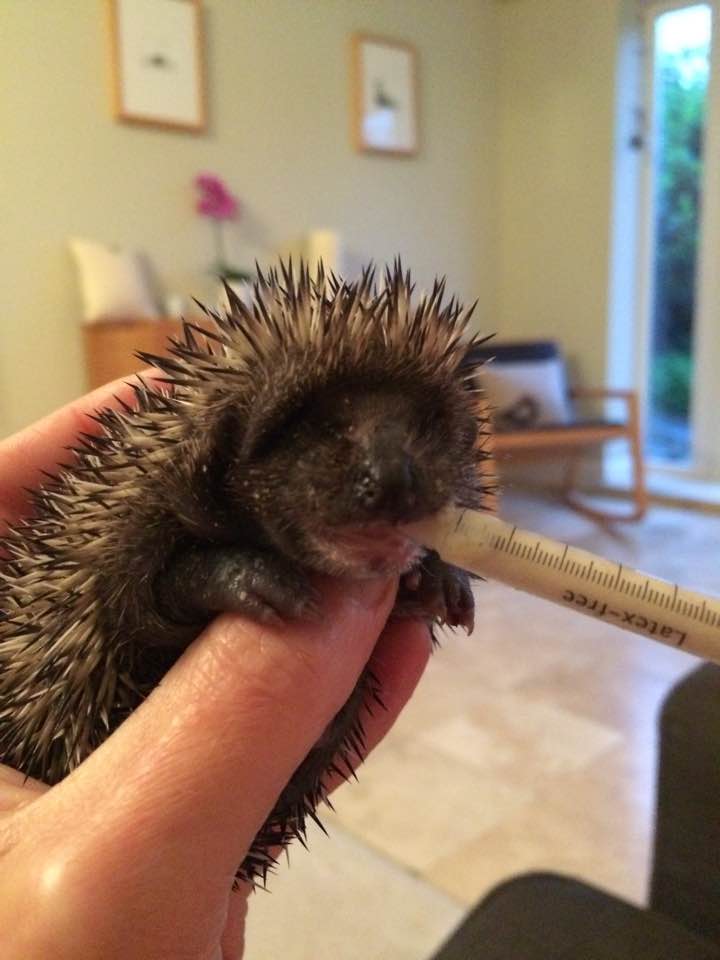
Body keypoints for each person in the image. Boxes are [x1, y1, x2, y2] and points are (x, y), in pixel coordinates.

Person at [0, 378, 431, 959]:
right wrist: (207, 582)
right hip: (76, 744)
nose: (391, 479)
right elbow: (120, 598)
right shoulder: (170, 501)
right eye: (334, 436)